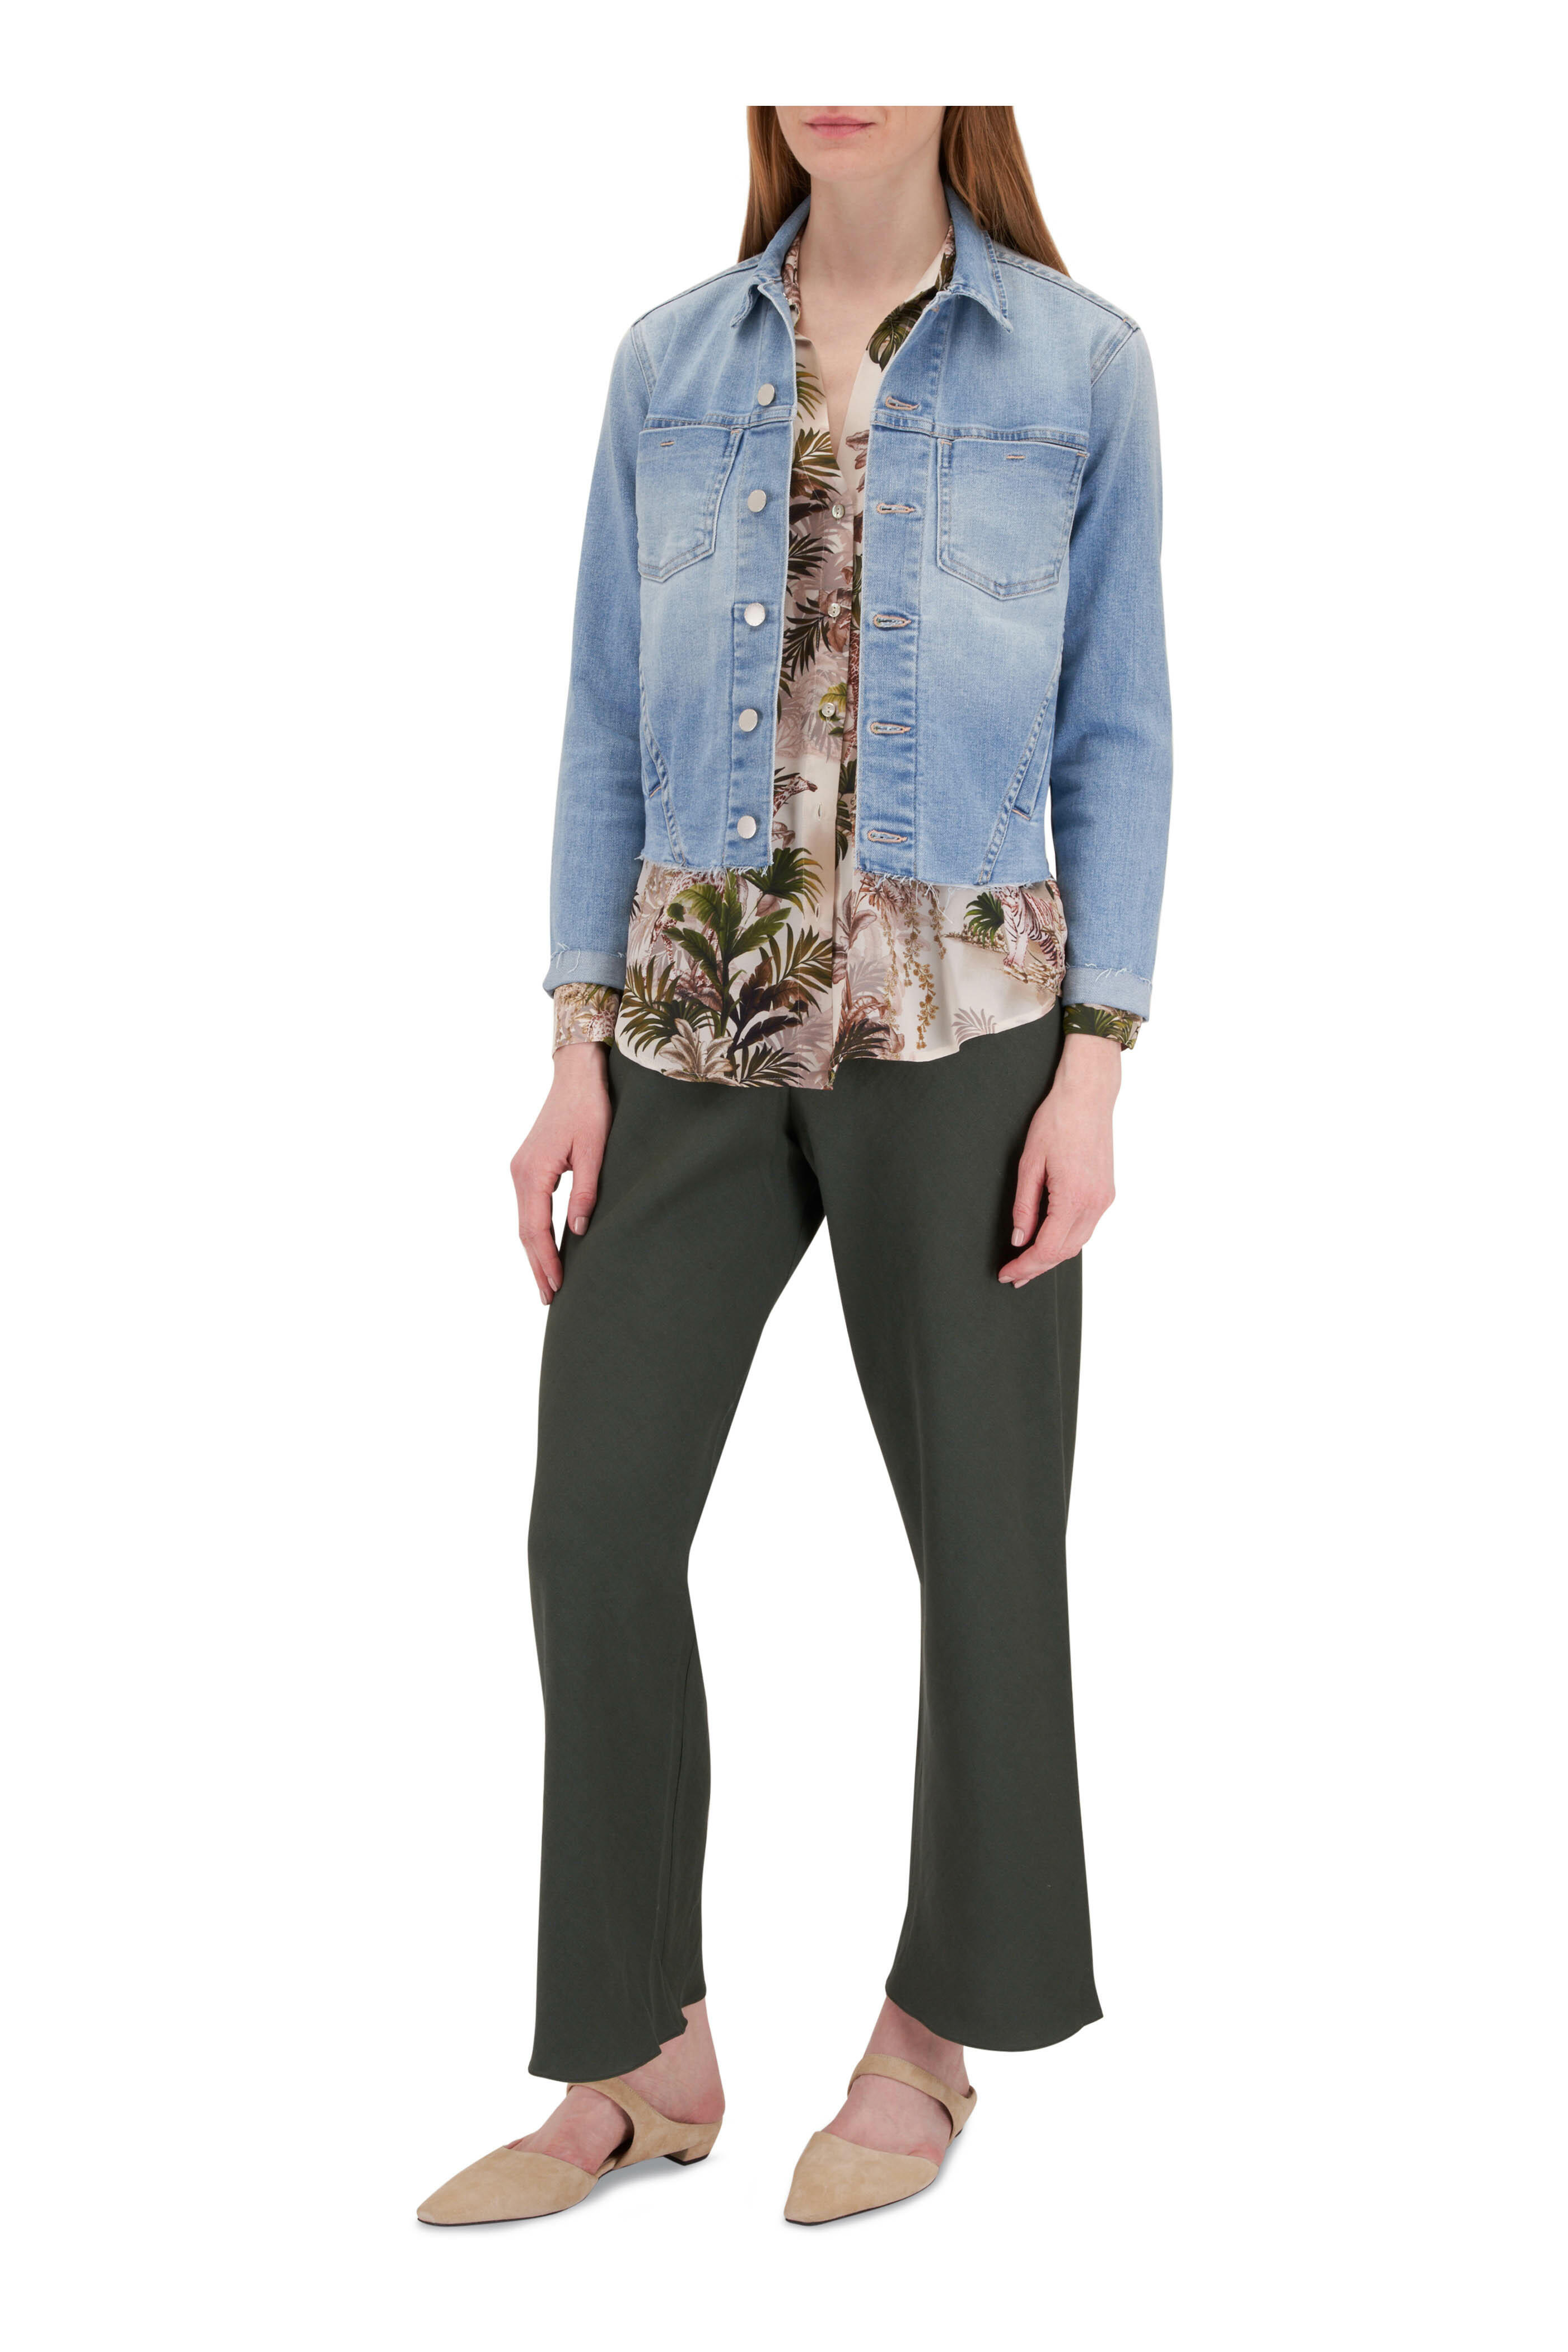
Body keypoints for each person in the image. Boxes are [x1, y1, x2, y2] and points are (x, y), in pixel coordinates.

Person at [419, 102, 1170, 2229]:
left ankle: (932, 2038)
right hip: (689, 1022)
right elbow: (603, 719)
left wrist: (1095, 1071)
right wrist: (573, 1046)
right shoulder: (667, 359)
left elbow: (1118, 727)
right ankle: (639, 2055)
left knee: (987, 1548)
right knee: (593, 1524)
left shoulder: (1080, 363)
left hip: (970, 1032)